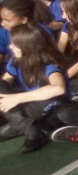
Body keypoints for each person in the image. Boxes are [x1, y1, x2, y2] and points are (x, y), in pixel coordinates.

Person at [0, 23, 68, 154]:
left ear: (25, 46)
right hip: (31, 107)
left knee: (44, 102)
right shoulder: (17, 60)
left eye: (14, 44)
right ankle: (26, 127)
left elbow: (58, 89)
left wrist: (17, 98)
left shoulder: (48, 64)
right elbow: (4, 83)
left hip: (52, 112)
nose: (10, 47)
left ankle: (31, 133)